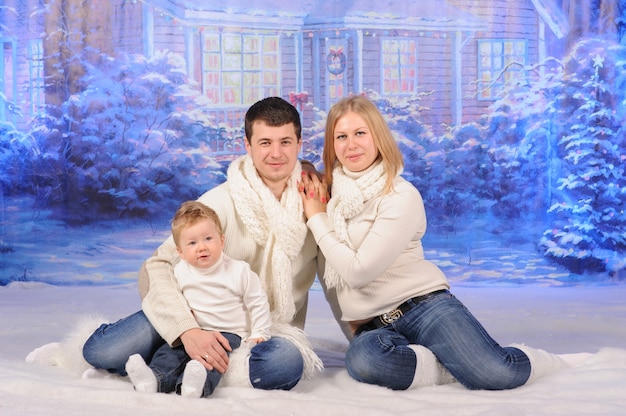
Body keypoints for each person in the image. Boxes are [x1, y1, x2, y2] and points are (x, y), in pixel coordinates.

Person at [298, 95, 567, 391]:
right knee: (363, 362)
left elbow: (358, 272)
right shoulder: (329, 194)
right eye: (341, 136)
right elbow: (291, 171)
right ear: (331, 144)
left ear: (378, 136)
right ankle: (448, 365)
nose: (351, 145)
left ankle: (540, 360)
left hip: (423, 308)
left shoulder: (399, 196)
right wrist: (308, 170)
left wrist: (316, 218)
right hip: (373, 328)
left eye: (360, 133)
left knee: (495, 374)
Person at [83, 97, 332, 391]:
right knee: (103, 352)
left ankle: (189, 366)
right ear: (248, 145)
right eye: (265, 142)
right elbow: (157, 266)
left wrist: (357, 333)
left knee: (286, 364)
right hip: (196, 311)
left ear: (300, 143)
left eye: (285, 142)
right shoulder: (221, 201)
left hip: (262, 331)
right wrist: (187, 330)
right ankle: (187, 356)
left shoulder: (315, 200)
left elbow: (338, 273)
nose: (276, 153)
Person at [125, 201, 272, 398]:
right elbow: (176, 298)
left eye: (208, 239)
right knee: (169, 352)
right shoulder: (179, 272)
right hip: (194, 330)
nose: (201, 247)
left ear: (222, 240)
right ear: (180, 252)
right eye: (192, 243)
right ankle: (153, 379)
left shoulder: (239, 270)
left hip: (228, 332)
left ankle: (196, 385)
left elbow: (258, 303)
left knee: (212, 358)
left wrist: (259, 332)